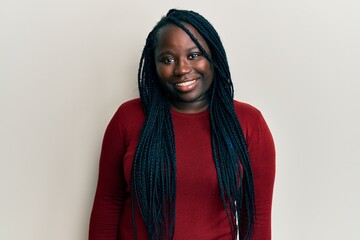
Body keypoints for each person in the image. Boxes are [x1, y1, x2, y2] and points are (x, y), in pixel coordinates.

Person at [89, 9, 275, 240]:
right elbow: (109, 202)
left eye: (194, 55)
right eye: (167, 59)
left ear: (213, 57)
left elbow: (256, 216)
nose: (182, 69)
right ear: (153, 66)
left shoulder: (248, 123)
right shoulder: (128, 118)